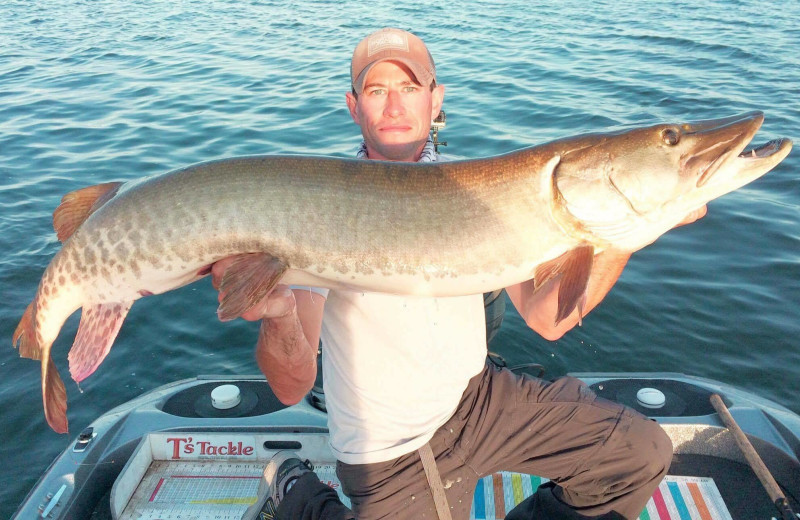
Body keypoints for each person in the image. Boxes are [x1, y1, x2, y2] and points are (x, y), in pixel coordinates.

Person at [214, 28, 707, 520]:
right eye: (376, 90)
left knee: (637, 453)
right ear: (353, 105)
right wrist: (279, 317)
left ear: (435, 99)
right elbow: (291, 388)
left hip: (480, 400)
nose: (394, 106)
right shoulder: (318, 205)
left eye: (409, 88)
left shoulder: (481, 184)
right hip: (390, 450)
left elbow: (549, 319)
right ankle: (300, 492)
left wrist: (625, 233)